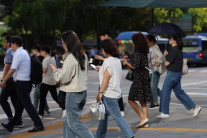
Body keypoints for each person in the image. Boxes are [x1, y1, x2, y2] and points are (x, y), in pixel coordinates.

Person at [51, 30, 94, 138]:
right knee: (68, 122)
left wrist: (55, 71)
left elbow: (64, 78)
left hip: (73, 93)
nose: (62, 45)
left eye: (63, 42)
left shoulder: (70, 57)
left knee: (73, 124)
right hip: (82, 92)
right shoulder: (83, 55)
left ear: (68, 42)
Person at [0, 36, 44, 132]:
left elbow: (12, 70)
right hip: (24, 83)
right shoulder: (24, 52)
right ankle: (11, 125)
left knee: (28, 106)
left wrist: (3, 81)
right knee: (19, 108)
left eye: (11, 44)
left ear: (15, 44)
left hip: (22, 84)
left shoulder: (18, 54)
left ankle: (39, 124)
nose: (11, 46)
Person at [95, 39, 134, 138]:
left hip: (109, 95)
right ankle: (99, 136)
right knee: (103, 118)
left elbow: (106, 78)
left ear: (105, 50)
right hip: (116, 93)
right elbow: (111, 72)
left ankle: (130, 136)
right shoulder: (117, 60)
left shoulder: (108, 61)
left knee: (118, 118)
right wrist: (101, 68)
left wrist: (100, 92)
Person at [157, 35, 202, 118]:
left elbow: (167, 63)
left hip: (172, 74)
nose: (169, 40)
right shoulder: (178, 50)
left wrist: (163, 59)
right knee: (179, 92)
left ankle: (165, 112)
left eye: (170, 38)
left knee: (165, 91)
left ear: (175, 41)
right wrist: (166, 55)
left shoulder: (173, 50)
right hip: (177, 74)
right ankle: (195, 108)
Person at [123, 33, 152, 128]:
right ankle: (145, 122)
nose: (133, 43)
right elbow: (138, 62)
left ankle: (143, 118)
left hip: (139, 79)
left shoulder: (137, 52)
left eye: (133, 41)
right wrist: (129, 57)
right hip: (145, 78)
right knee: (143, 101)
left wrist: (126, 63)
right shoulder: (144, 51)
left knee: (131, 99)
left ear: (136, 42)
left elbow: (134, 66)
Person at [95, 28, 126, 117]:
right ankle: (112, 110)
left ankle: (117, 109)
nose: (100, 38)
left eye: (101, 36)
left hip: (112, 68)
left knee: (108, 87)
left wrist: (101, 59)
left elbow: (111, 59)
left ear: (105, 35)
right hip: (112, 67)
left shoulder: (110, 43)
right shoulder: (111, 43)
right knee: (114, 88)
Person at [0, 35, 24, 128]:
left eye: (4, 41)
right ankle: (18, 120)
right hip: (15, 79)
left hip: (10, 80)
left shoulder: (10, 52)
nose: (3, 44)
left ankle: (11, 119)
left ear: (8, 42)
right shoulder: (16, 52)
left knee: (2, 99)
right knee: (14, 99)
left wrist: (3, 80)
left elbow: (7, 67)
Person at [38, 46, 59, 118]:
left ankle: (40, 114)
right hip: (52, 81)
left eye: (41, 51)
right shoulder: (53, 58)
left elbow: (44, 71)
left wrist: (39, 69)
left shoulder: (45, 60)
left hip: (45, 82)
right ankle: (65, 108)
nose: (41, 53)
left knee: (42, 98)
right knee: (55, 97)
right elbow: (54, 69)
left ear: (44, 51)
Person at [146, 34, 165, 109]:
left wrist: (159, 62)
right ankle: (164, 97)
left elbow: (161, 56)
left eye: (147, 41)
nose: (146, 43)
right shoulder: (150, 48)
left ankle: (155, 102)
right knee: (153, 86)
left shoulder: (155, 47)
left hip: (155, 69)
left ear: (151, 41)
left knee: (153, 86)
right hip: (150, 69)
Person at [32, 45, 50, 116]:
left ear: (35, 50)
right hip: (37, 80)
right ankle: (45, 109)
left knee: (39, 95)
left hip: (41, 80)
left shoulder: (42, 59)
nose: (33, 51)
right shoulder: (34, 58)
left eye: (33, 50)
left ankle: (36, 109)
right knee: (38, 95)